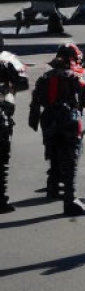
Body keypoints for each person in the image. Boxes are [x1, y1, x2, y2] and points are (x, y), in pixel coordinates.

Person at [27, 42, 85, 215]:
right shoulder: (76, 78)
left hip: (48, 119)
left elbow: (35, 103)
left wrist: (34, 120)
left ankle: (53, 186)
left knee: (53, 152)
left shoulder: (44, 78)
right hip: (68, 120)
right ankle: (70, 199)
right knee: (71, 159)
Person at [0, 34, 30, 211]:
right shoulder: (8, 59)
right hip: (3, 113)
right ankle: (1, 200)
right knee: (2, 157)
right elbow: (23, 81)